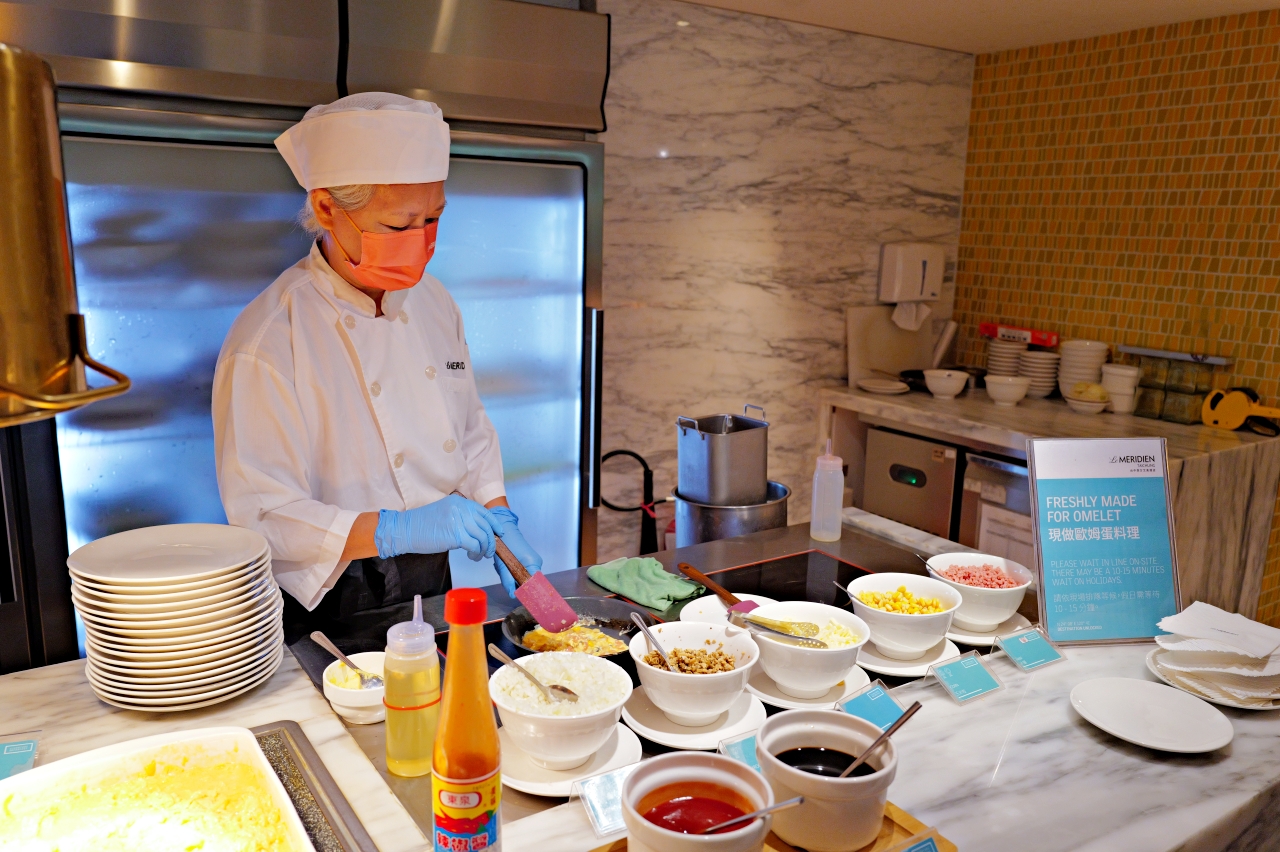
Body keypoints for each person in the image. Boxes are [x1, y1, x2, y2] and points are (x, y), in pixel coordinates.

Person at [212, 93, 543, 638]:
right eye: (397, 226)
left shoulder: (435, 301)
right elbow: (263, 515)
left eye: (434, 218)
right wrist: (396, 530)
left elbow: (470, 430)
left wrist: (498, 517)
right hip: (330, 587)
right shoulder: (270, 338)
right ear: (326, 210)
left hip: (433, 566)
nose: (423, 244)